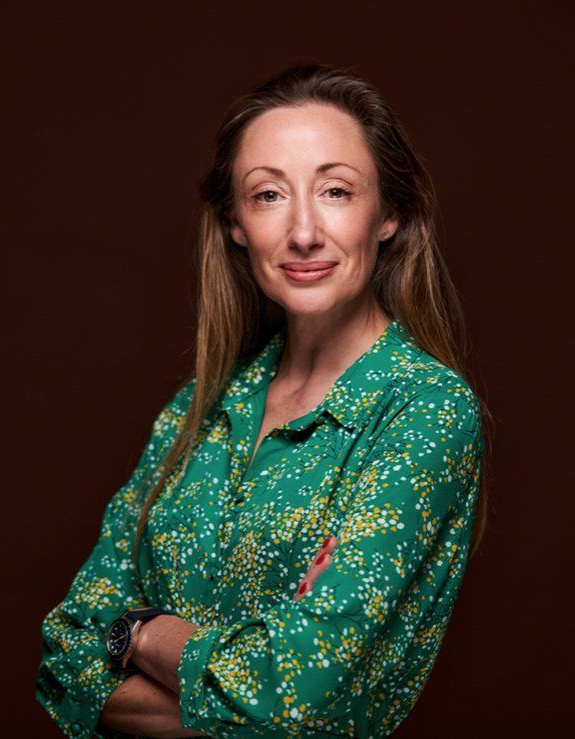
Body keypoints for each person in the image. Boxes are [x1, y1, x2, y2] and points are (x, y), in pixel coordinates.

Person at [35, 63, 491, 739]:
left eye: (336, 191)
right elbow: (66, 657)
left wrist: (138, 630)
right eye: (269, 194)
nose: (303, 232)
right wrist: (251, 694)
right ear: (236, 223)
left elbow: (291, 691)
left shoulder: (426, 411)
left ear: (389, 214)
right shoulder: (199, 406)